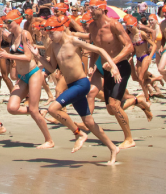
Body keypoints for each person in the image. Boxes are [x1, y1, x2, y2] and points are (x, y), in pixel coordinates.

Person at [35, 15, 120, 164]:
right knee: (89, 122)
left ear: (60, 30)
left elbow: (99, 49)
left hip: (81, 84)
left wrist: (114, 66)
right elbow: (52, 68)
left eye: (52, 32)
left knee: (53, 109)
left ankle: (78, 134)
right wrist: (38, 57)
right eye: (48, 33)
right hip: (72, 86)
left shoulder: (73, 41)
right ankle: (113, 148)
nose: (50, 35)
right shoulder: (54, 47)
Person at [86, 0, 140, 149]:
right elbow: (96, 48)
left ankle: (129, 138)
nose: (90, 11)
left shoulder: (114, 25)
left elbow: (129, 47)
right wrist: (91, 65)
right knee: (110, 109)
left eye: (93, 8)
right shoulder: (92, 27)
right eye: (89, 8)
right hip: (104, 68)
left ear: (103, 9)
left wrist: (114, 61)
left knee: (114, 106)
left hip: (120, 68)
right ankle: (137, 100)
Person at [0, 9, 54, 149]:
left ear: (17, 21)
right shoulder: (11, 37)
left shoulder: (24, 34)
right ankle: (40, 112)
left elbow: (28, 57)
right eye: (6, 22)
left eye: (9, 22)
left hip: (33, 73)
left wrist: (8, 56)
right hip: (22, 77)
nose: (7, 24)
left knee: (32, 110)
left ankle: (49, 140)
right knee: (12, 108)